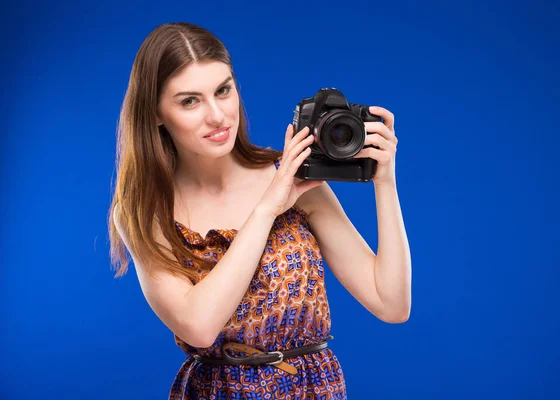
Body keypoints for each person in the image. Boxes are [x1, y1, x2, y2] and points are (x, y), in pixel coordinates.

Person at [108, 22, 411, 400]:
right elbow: (199, 326)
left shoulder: (294, 178)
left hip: (313, 390)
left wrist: (385, 182)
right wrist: (268, 207)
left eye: (223, 90)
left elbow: (392, 304)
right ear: (155, 113)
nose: (217, 115)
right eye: (190, 101)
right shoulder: (144, 210)